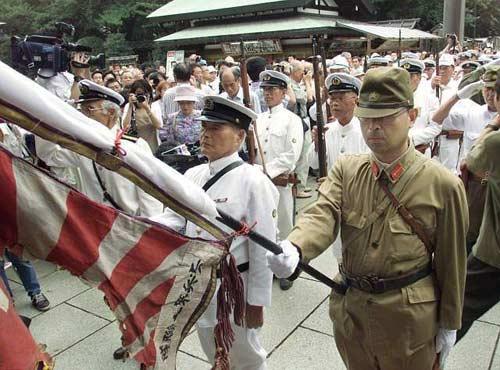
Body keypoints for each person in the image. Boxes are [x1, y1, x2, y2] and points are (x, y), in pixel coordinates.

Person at [267, 67, 468, 370]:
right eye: (367, 117)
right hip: (353, 311)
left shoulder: (442, 184)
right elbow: (322, 213)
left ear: (411, 116)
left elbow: (452, 262)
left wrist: (450, 323)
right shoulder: (347, 170)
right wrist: (296, 246)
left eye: (385, 117)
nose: (374, 127)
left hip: (409, 319)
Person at [152, 95, 278, 370]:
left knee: (246, 356)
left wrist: (256, 301)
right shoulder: (193, 175)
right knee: (212, 349)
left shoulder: (253, 181)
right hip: (199, 283)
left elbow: (263, 247)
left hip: (235, 287)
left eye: (216, 129)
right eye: (204, 128)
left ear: (239, 136)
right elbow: (176, 219)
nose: (206, 135)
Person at [36, 80, 163, 218]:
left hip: (128, 227)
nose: (84, 116)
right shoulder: (84, 146)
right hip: (94, 227)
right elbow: (50, 156)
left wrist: (149, 232)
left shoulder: (134, 146)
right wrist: (49, 115)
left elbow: (149, 195)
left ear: (111, 112)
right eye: (82, 110)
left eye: (89, 109)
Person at [457, 76, 500, 342]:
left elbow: (473, 160)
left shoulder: (495, 143)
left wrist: (493, 125)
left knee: (456, 309)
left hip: (493, 254)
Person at [255, 70, 303, 291]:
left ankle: (287, 268)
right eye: (264, 89)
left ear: (283, 92)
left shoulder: (292, 120)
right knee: (265, 224)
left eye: (272, 89)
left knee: (284, 225)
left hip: (280, 181)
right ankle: (268, 265)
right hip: (261, 181)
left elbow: (291, 155)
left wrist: (267, 171)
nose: (267, 94)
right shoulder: (259, 119)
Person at [0, 122, 50, 312]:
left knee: (18, 253)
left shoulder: (9, 127)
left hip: (10, 201)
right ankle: (8, 303)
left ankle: (35, 291)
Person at [309, 73, 368, 173]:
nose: (335, 103)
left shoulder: (365, 131)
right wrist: (317, 145)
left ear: (356, 101)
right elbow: (313, 164)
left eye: (341, 98)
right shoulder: (327, 130)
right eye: (332, 99)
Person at [402, 59, 441, 157]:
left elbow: (435, 126)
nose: (405, 80)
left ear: (419, 77)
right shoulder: (393, 98)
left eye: (409, 76)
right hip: (397, 153)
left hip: (420, 150)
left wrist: (412, 139)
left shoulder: (430, 99)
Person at [122, 79, 163, 153]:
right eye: (138, 94)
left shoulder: (154, 106)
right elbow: (125, 127)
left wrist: (147, 109)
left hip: (152, 145)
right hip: (135, 147)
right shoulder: (128, 106)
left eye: (144, 94)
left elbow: (159, 125)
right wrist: (131, 106)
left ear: (149, 94)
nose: (141, 96)